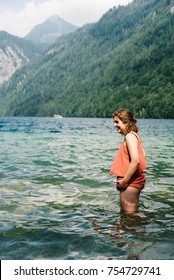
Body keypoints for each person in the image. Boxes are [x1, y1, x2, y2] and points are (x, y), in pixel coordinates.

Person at [110, 108, 147, 213]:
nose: (115, 125)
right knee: (131, 213)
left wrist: (125, 181)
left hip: (130, 182)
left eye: (117, 122)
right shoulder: (135, 135)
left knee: (129, 215)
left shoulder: (130, 136)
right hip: (136, 179)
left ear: (126, 121)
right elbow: (144, 155)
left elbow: (136, 161)